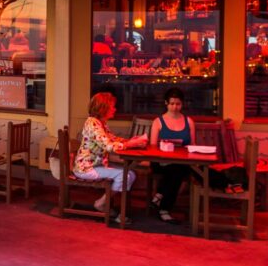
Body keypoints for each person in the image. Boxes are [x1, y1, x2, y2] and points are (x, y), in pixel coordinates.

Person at [73, 92, 147, 221]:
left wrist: (129, 141)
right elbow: (109, 146)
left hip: (96, 165)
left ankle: (104, 202)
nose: (115, 109)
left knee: (130, 174)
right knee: (125, 175)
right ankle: (102, 203)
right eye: (112, 106)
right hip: (87, 168)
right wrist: (130, 144)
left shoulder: (101, 123)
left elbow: (112, 139)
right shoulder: (93, 124)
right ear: (103, 108)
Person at [148, 88, 196, 223]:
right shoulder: (158, 121)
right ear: (166, 103)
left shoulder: (189, 122)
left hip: (181, 162)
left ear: (182, 104)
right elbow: (152, 146)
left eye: (178, 104)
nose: (175, 107)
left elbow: (192, 145)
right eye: (172, 103)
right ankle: (164, 208)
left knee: (178, 169)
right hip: (160, 161)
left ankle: (159, 198)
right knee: (177, 171)